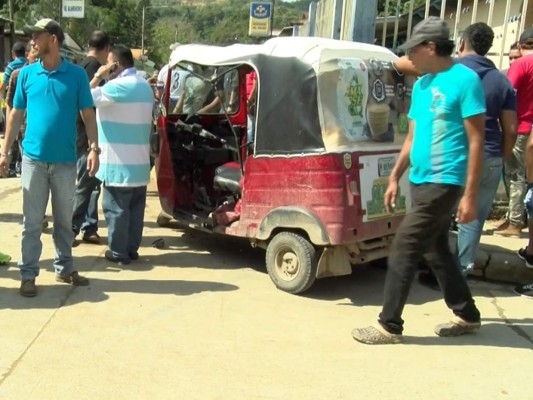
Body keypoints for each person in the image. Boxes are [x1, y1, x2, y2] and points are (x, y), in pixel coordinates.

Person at [351, 17, 484, 345]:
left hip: (446, 179)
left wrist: (470, 196)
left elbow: (477, 139)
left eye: (414, 50)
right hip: (420, 180)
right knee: (436, 250)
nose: (409, 57)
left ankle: (389, 325)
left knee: (404, 246)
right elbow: (411, 138)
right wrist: (395, 176)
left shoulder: (465, 81)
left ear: (430, 47)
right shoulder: (423, 85)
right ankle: (467, 314)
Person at [0, 19, 99, 297]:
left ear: (53, 39)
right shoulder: (26, 75)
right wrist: (4, 152)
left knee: (64, 221)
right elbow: (15, 114)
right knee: (31, 222)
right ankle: (28, 274)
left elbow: (88, 114)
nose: (32, 39)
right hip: (32, 161)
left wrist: (94, 148)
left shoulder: (76, 75)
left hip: (66, 162)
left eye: (38, 35)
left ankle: (64, 268)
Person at [89, 45, 154, 265]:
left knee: (116, 209)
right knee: (135, 212)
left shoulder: (118, 87)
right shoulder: (145, 86)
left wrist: (99, 75)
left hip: (118, 163)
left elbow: (84, 98)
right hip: (140, 162)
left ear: (116, 64)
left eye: (108, 63)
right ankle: (131, 249)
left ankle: (117, 252)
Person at [72, 31, 111, 247]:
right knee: (88, 180)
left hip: (81, 132)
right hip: (87, 133)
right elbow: (84, 103)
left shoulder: (79, 65)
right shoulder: (94, 69)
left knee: (87, 180)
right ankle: (79, 226)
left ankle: (86, 225)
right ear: (106, 49)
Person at [494, 29, 533, 237]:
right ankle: (517, 217)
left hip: (521, 127)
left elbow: (506, 93)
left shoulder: (522, 64)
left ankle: (515, 223)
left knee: (515, 174)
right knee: (528, 176)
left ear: (520, 46)